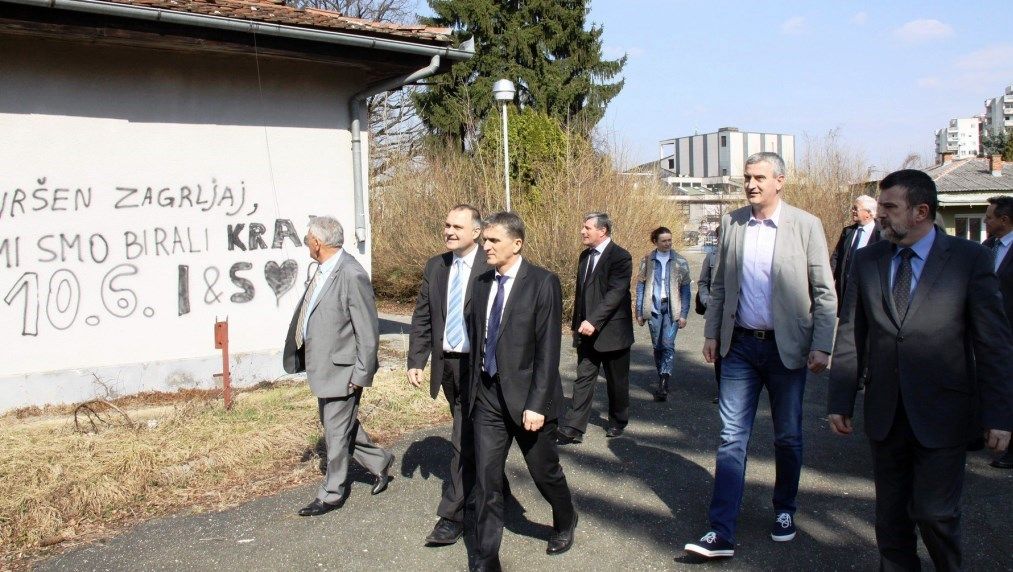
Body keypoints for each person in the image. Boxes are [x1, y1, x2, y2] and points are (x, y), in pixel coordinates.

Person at [828, 170, 1012, 570]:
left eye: (890, 207)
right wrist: (840, 399)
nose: (880, 214)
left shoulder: (969, 259)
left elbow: (993, 343)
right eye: (880, 206)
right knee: (890, 521)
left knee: (935, 513)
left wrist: (999, 415)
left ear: (921, 212)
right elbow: (851, 333)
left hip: (944, 413)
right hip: (886, 413)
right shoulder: (869, 260)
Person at [685, 152, 837, 559]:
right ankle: (721, 530)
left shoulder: (805, 225)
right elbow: (720, 285)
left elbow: (824, 292)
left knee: (787, 436)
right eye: (747, 177)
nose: (751, 185)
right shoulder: (733, 223)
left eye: (760, 178)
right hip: (739, 347)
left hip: (786, 349)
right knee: (731, 437)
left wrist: (822, 343)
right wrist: (712, 333)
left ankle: (785, 509)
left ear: (780, 181)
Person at [466, 211, 577, 571]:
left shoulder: (542, 282)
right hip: (487, 396)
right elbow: (477, 339)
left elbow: (548, 350)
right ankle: (486, 558)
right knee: (487, 480)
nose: (485, 246)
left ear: (516, 244)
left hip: (529, 400)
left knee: (545, 473)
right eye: (484, 240)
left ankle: (565, 517)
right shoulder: (482, 283)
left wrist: (537, 404)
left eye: (493, 240)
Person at [282, 216, 395, 516]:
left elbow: (367, 330)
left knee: (334, 433)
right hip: (325, 367)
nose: (306, 242)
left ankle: (331, 494)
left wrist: (361, 373)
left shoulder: (351, 274)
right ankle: (379, 461)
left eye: (307, 238)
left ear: (317, 242)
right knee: (341, 426)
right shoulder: (325, 269)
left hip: (344, 371)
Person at [407, 205, 491, 544]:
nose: (450, 231)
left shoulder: (491, 264)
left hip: (480, 367)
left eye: (458, 226)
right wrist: (416, 359)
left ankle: (452, 516)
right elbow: (423, 316)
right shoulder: (436, 266)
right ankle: (488, 483)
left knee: (462, 436)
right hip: (449, 367)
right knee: (468, 432)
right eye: (447, 225)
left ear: (477, 232)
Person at [557, 212, 635, 443]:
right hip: (586, 332)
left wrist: (594, 321)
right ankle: (574, 427)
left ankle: (618, 421)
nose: (582, 231)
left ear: (602, 231)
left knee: (617, 382)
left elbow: (615, 294)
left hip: (613, 333)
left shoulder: (620, 257)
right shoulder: (584, 256)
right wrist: (576, 326)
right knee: (583, 379)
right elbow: (581, 295)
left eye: (587, 228)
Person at [634, 226, 691, 401]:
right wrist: (639, 311)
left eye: (669, 240)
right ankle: (661, 375)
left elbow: (686, 290)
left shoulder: (680, 261)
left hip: (672, 309)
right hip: (653, 308)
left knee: (667, 344)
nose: (667, 243)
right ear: (655, 242)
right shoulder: (647, 261)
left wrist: (683, 314)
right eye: (664, 241)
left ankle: (664, 382)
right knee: (657, 346)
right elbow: (641, 286)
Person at [982, 193, 1013, 472]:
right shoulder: (987, 246)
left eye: (989, 217)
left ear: (1005, 220)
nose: (985, 221)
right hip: (987, 331)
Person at [830, 195, 882, 310]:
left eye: (855, 208)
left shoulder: (882, 234)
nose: (852, 211)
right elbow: (836, 257)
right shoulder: (847, 232)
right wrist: (828, 279)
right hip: (845, 288)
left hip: (868, 292)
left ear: (868, 213)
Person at [697, 226, 721, 403]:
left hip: (737, 314)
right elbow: (702, 282)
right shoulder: (711, 257)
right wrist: (706, 300)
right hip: (715, 312)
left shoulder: (742, 256)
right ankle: (722, 389)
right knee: (717, 352)